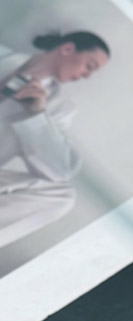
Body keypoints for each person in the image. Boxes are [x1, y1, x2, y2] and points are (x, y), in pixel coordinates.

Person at [0, 31, 110, 249]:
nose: (87, 76)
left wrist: (36, 114)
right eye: (89, 66)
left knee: (62, 195)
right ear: (67, 49)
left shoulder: (59, 108)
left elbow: (58, 172)